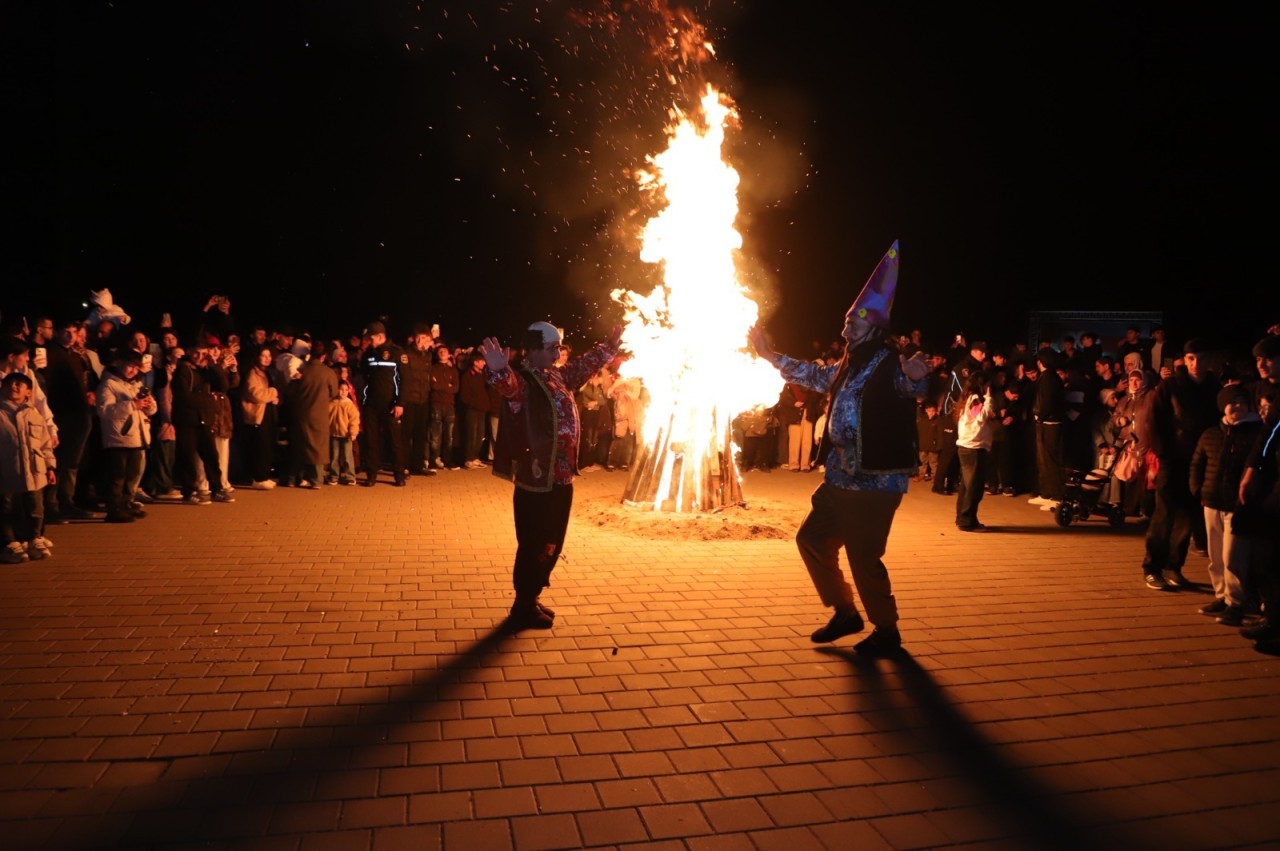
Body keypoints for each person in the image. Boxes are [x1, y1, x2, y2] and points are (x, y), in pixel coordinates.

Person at [748, 241, 930, 656]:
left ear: (875, 328)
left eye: (855, 324)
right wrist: (769, 355)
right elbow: (813, 375)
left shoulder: (888, 362)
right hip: (839, 476)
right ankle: (846, 612)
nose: (845, 330)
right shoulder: (848, 363)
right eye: (846, 322)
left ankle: (887, 631)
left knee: (865, 558)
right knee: (812, 539)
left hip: (874, 481)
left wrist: (918, 379)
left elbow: (910, 388)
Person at [482, 321, 621, 630]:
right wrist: (498, 371)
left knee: (552, 542)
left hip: (561, 478)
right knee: (535, 543)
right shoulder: (526, 382)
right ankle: (523, 605)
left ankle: (531, 596)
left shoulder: (557, 375)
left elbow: (584, 366)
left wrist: (607, 348)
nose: (558, 352)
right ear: (532, 351)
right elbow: (509, 388)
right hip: (538, 481)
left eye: (559, 346)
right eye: (552, 348)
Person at [1141, 339, 1220, 590]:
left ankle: (1174, 567)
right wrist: (1161, 456)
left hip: (1198, 463)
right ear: (1185, 361)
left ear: (1209, 361)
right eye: (1191, 359)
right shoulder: (1170, 386)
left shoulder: (1213, 388)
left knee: (1188, 517)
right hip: (1171, 459)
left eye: (1201, 358)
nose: (1196, 364)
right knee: (1164, 515)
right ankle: (1152, 568)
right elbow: (1154, 422)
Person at [1190, 386, 1264, 625]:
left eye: (1242, 402)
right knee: (1216, 556)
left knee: (1233, 556)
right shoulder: (1211, 433)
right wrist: (1197, 489)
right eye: (1232, 402)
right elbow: (1197, 463)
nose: (1237, 406)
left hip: (1238, 506)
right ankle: (1221, 595)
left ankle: (1236, 603)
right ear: (1223, 406)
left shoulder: (1257, 434)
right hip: (1211, 501)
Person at [0, 372, 57, 563]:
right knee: (6, 508)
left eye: (19, 384)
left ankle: (34, 538)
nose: (13, 387)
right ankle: (9, 543)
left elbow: (44, 444)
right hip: (7, 471)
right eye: (9, 384)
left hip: (34, 470)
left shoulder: (34, 414)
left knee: (35, 507)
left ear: (28, 392)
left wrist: (50, 466)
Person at [96, 350, 157, 523]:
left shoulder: (135, 384)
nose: (133, 371)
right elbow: (104, 410)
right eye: (130, 366)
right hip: (118, 436)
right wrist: (132, 404)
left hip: (137, 435)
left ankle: (126, 504)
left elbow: (150, 410)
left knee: (132, 474)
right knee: (118, 476)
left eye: (136, 368)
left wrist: (148, 404)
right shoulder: (108, 384)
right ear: (120, 363)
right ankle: (114, 509)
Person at [359, 321, 407, 487]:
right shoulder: (368, 354)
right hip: (371, 404)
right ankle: (371, 474)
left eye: (370, 338)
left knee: (395, 441)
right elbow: (365, 376)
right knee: (371, 441)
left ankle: (399, 474)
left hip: (390, 405)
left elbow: (405, 381)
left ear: (380, 336)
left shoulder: (397, 353)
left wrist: (400, 403)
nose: (368, 341)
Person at [954, 373, 997, 531]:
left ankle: (962, 518)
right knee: (974, 488)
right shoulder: (974, 399)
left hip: (967, 446)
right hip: (973, 447)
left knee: (966, 486)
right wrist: (989, 400)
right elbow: (980, 417)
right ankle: (967, 521)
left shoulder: (967, 398)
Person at [327, 380, 361, 485]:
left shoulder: (349, 405)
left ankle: (350, 476)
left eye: (346, 390)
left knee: (347, 456)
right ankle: (334, 476)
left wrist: (353, 432)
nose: (343, 392)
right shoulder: (332, 403)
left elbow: (354, 420)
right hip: (334, 434)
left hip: (346, 435)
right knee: (334, 457)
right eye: (341, 389)